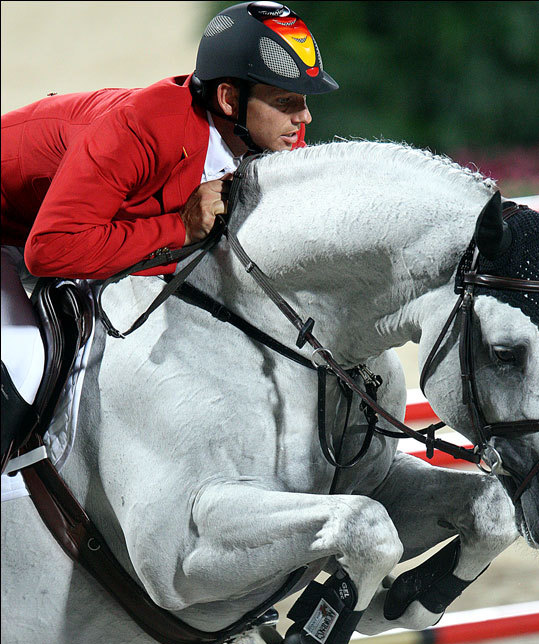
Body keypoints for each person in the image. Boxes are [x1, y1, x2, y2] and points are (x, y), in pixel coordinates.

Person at [0, 1, 338, 473]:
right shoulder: (144, 128)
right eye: (286, 102)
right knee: (23, 357)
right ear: (228, 99)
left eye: (305, 101)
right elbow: (49, 251)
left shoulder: (266, 139)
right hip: (20, 233)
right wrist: (179, 227)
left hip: (41, 224)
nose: (304, 119)